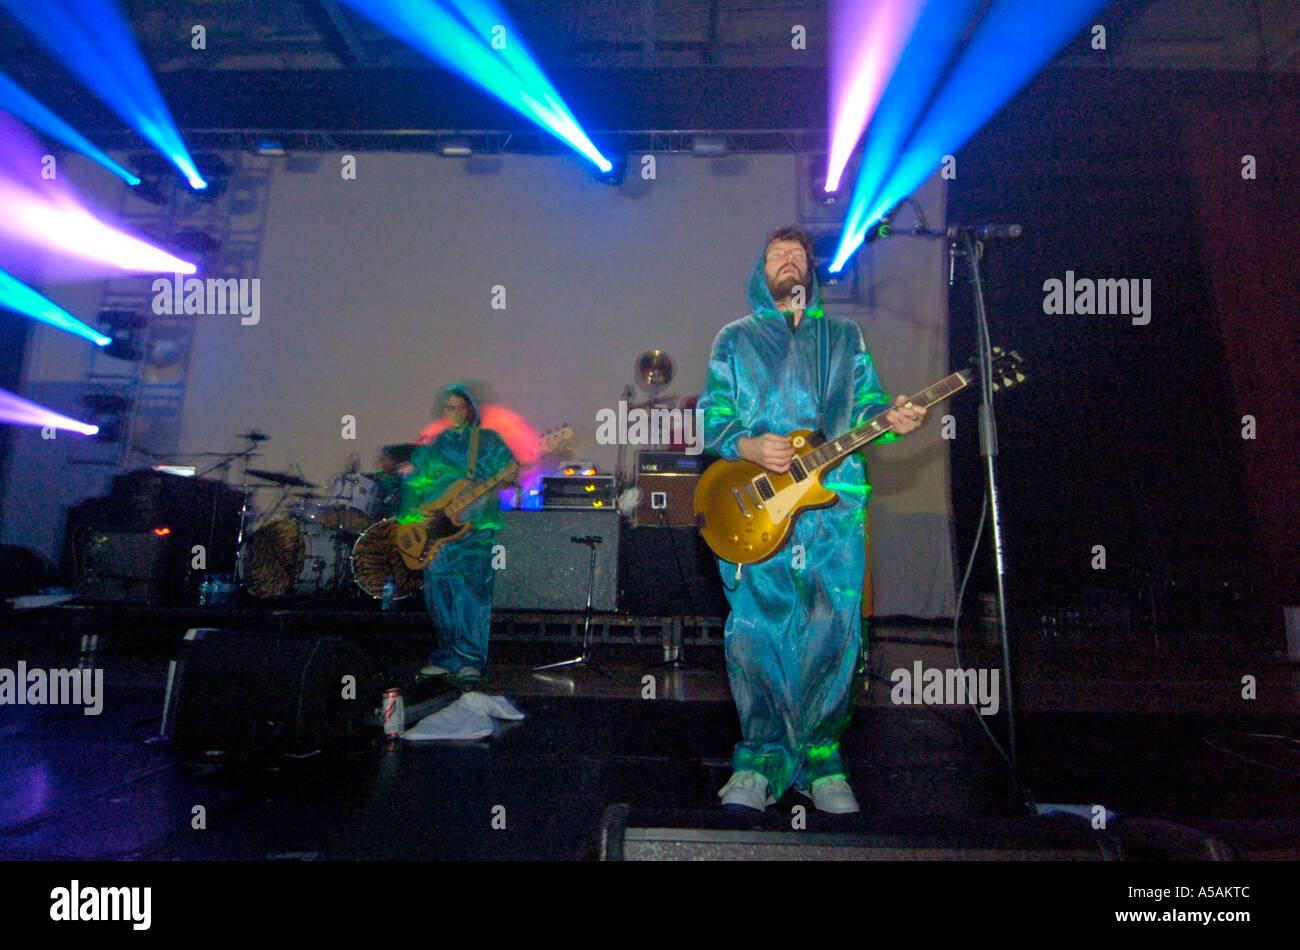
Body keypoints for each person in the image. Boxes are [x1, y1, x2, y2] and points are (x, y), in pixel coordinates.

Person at [697, 227, 926, 813]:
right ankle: (761, 757)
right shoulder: (735, 339)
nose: (789, 262)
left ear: (811, 272)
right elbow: (711, 417)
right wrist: (747, 447)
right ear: (761, 269)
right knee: (756, 632)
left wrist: (895, 417)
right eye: (777, 254)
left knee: (833, 628)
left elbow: (869, 404)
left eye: (798, 255)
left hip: (835, 504)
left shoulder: (845, 336)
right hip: (756, 504)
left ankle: (822, 758)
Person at [397, 385, 516, 689]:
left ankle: (470, 661)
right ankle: (447, 658)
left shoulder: (488, 441)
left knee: (472, 596)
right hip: (435, 534)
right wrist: (411, 518)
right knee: (438, 596)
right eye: (449, 407)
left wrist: (508, 475)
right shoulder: (431, 446)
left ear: (470, 409)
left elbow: (509, 473)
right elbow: (413, 484)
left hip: (474, 531)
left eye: (460, 406)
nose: (454, 412)